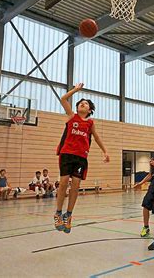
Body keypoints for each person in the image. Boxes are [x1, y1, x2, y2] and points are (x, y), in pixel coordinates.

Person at [54, 83, 110, 234]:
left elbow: (96, 137)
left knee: (76, 185)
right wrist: (75, 90)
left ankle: (69, 215)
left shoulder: (90, 123)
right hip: (67, 154)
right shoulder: (72, 117)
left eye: (85, 104)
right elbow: (63, 99)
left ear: (90, 110)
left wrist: (105, 151)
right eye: (80, 103)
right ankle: (58, 213)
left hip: (81, 157)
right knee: (64, 182)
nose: (82, 104)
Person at [134, 140, 154, 237]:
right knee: (145, 205)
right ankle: (146, 227)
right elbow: (150, 175)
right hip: (153, 184)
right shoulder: (152, 158)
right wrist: (140, 183)